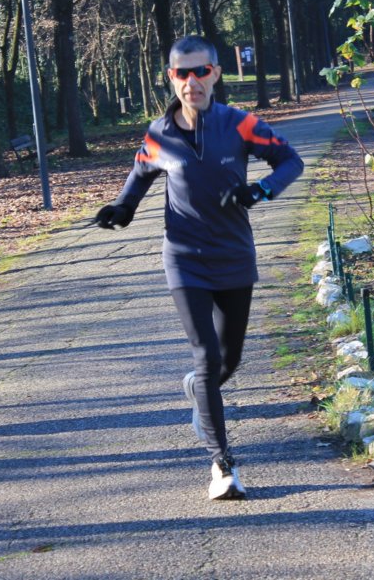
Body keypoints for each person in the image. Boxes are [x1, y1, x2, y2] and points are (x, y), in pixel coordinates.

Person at [96, 36, 303, 500]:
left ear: (216, 73)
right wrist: (123, 207)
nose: (192, 82)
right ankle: (222, 466)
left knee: (228, 360)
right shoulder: (159, 133)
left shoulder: (240, 124)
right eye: (181, 73)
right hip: (184, 258)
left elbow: (291, 161)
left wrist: (260, 190)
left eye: (200, 71)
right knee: (207, 358)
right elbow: (140, 174)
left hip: (234, 255)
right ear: (171, 78)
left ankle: (198, 389)